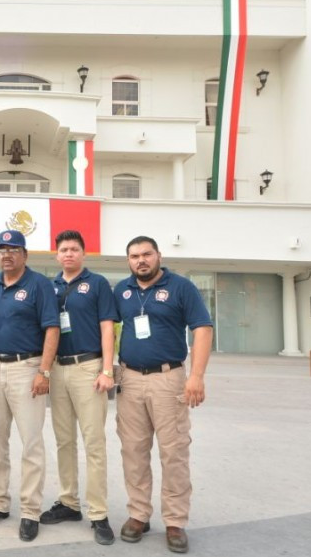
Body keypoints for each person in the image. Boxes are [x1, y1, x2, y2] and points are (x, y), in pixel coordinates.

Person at [113, 236, 213, 554]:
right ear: (128, 261)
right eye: (134, 256)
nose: (140, 260)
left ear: (158, 256)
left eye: (146, 254)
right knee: (133, 451)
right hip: (129, 379)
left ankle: (175, 521)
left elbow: (202, 328)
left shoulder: (181, 287)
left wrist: (196, 376)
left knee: (173, 452)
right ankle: (138, 514)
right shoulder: (121, 290)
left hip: (169, 379)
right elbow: (105, 327)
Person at [0, 229, 59, 542]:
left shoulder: (39, 285)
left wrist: (44, 371)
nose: (6, 255)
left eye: (13, 249)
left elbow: (52, 329)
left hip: (28, 368)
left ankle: (30, 511)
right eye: (1, 250)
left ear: (25, 254)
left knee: (31, 443)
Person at [40, 230, 118, 545]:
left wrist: (107, 369)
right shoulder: (50, 286)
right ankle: (69, 502)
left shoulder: (97, 284)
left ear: (83, 254)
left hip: (89, 368)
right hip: (58, 369)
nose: (69, 254)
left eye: (74, 249)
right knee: (64, 440)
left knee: (94, 443)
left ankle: (98, 513)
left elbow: (107, 328)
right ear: (57, 256)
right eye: (64, 249)